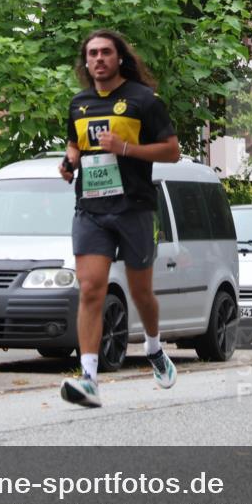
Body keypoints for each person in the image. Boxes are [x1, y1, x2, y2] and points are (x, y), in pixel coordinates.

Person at [58, 29, 181, 407]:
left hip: (135, 207)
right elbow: (75, 142)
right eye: (92, 54)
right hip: (92, 209)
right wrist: (69, 161)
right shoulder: (79, 103)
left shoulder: (144, 100)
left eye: (106, 53)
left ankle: (155, 349)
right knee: (91, 288)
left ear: (119, 57)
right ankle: (89, 379)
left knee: (141, 292)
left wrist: (126, 148)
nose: (98, 59)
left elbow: (172, 152)